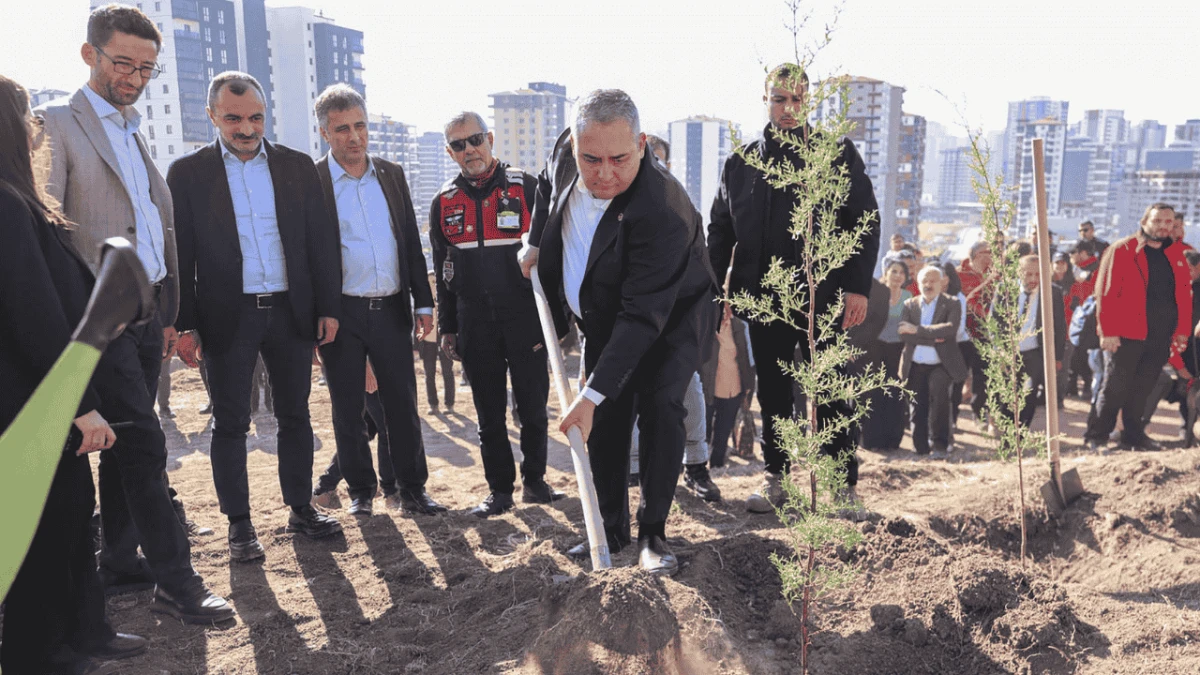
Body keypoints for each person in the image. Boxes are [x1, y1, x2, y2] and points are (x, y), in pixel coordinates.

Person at [36, 4, 232, 622]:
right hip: (97, 317)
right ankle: (177, 580)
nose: (135, 76)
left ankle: (120, 561)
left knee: (129, 441)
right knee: (147, 444)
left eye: (146, 67)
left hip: (148, 313)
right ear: (90, 54)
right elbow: (49, 236)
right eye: (123, 62)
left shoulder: (132, 128)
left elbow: (154, 225)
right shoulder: (55, 125)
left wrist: (167, 308)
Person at [517, 89, 716, 574]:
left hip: (670, 317)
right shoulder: (567, 152)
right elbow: (545, 188)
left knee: (661, 407)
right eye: (592, 159)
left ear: (642, 145)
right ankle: (609, 524)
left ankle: (653, 534)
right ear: (576, 146)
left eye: (618, 159)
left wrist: (591, 392)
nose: (604, 173)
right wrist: (535, 240)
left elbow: (642, 318)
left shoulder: (662, 209)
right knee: (604, 422)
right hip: (605, 310)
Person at [0, 73, 151, 675]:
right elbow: (33, 317)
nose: (38, 129)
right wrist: (80, 404)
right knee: (44, 528)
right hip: (30, 400)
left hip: (36, 396)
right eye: (29, 117)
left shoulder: (19, 199)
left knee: (69, 512)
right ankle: (41, 655)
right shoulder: (7, 206)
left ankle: (87, 629)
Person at [170, 71, 343, 561]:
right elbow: (181, 251)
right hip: (226, 316)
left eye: (255, 118)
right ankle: (239, 525)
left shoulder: (297, 167)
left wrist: (327, 308)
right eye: (233, 118)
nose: (246, 129)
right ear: (212, 116)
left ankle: (301, 508)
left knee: (295, 416)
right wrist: (185, 322)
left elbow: (319, 243)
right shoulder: (187, 174)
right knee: (230, 423)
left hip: (291, 312)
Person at [706, 62, 880, 512]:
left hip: (826, 301)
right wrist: (718, 292)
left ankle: (841, 485)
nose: (787, 108)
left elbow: (864, 222)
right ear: (765, 99)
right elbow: (720, 232)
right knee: (775, 394)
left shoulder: (836, 155)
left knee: (832, 390)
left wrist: (858, 287)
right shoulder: (740, 163)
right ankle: (776, 480)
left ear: (809, 101)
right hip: (766, 303)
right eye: (779, 99)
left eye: (797, 100)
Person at [309, 85, 444, 518]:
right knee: (347, 409)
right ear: (325, 132)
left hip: (390, 310)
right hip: (340, 314)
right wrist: (313, 316)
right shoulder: (312, 182)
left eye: (361, 126)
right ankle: (361, 493)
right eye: (343, 129)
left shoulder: (391, 173)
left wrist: (423, 303)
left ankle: (412, 490)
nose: (354, 137)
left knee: (403, 405)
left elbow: (409, 238)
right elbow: (304, 254)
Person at [430, 110, 563, 518]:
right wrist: (447, 328)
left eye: (474, 140)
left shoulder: (527, 187)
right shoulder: (444, 202)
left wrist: (558, 318)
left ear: (489, 138)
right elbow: (442, 269)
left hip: (525, 318)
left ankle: (536, 483)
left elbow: (553, 253)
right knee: (488, 413)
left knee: (533, 406)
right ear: (450, 152)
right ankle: (499, 492)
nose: (469, 149)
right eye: (458, 144)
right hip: (474, 321)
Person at [1083, 203, 1192, 452]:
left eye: (1168, 222)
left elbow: (1183, 296)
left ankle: (1132, 435)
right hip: (1125, 334)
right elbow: (1106, 292)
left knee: (1142, 389)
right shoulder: (1122, 249)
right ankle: (1096, 436)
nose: (1163, 227)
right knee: (1114, 387)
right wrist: (1107, 331)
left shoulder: (1176, 255)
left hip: (1160, 335)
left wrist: (1182, 331)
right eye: (1158, 221)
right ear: (1144, 222)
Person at [898, 266, 967, 458]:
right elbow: (904, 334)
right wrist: (934, 337)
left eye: (933, 281)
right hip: (915, 364)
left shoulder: (952, 303)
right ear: (918, 283)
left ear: (942, 282)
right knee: (917, 406)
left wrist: (918, 330)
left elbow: (950, 330)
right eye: (924, 281)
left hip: (941, 365)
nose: (928, 285)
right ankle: (919, 448)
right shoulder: (910, 304)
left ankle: (939, 446)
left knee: (940, 404)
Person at [1000, 255, 1066, 427]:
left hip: (1034, 353)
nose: (1033, 279)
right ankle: (1009, 431)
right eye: (1028, 274)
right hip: (1009, 352)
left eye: (1038, 275)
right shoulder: (1004, 290)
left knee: (1028, 393)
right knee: (1008, 393)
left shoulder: (1053, 293)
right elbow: (995, 323)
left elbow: (1059, 326)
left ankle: (1021, 433)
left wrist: (1057, 358)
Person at [860, 260, 912, 451]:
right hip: (874, 348)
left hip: (897, 350)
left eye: (902, 273)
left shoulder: (909, 297)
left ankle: (892, 439)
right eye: (894, 271)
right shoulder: (875, 293)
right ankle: (871, 439)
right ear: (886, 273)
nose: (898, 276)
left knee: (893, 393)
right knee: (873, 392)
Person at [700, 299, 755, 468]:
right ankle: (699, 467)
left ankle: (716, 465)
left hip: (733, 388)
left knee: (723, 433)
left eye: (726, 308)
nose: (724, 313)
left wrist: (749, 388)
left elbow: (748, 359)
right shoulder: (706, 327)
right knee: (703, 432)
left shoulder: (739, 326)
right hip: (708, 389)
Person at [417, 288, 455, 413]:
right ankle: (433, 404)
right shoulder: (423, 286)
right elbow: (417, 316)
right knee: (429, 373)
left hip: (444, 334)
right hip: (428, 337)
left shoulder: (445, 285)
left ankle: (450, 404)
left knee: (447, 371)